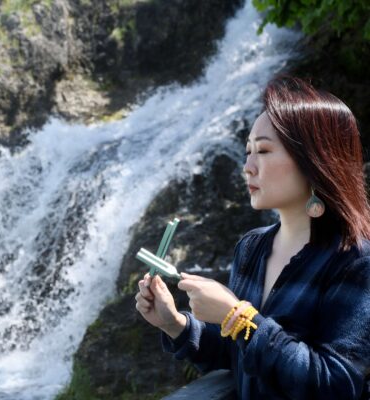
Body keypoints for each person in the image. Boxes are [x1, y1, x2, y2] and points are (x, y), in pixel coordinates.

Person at [135, 76, 370, 399]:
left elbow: (335, 384)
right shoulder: (252, 247)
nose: (247, 166)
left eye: (263, 150)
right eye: (248, 150)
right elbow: (240, 354)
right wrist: (176, 323)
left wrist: (238, 316)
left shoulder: (356, 261)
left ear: (316, 160)